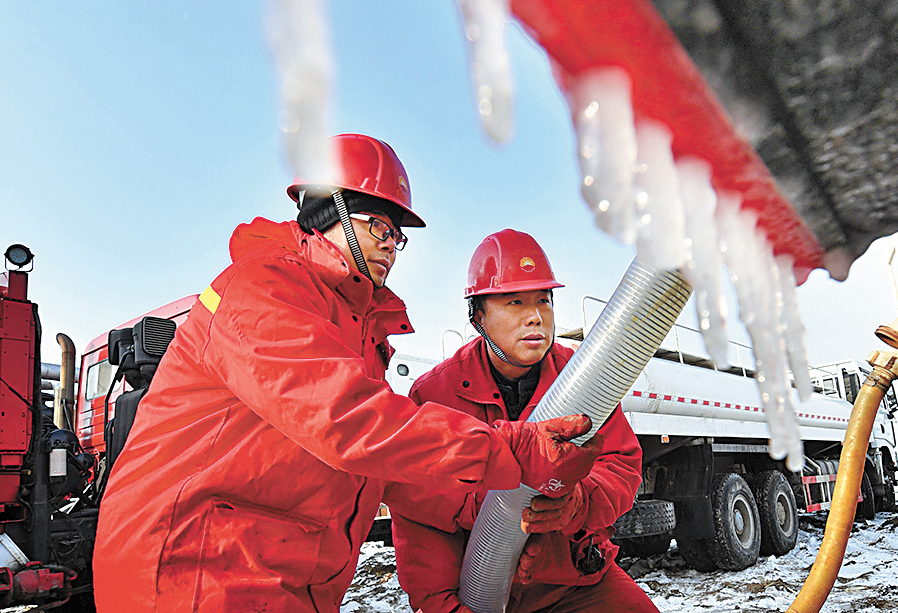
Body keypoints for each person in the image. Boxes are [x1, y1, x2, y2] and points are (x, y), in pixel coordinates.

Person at [92, 135, 603, 612]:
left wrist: (498, 513)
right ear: (328, 210)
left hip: (267, 571)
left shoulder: (356, 326)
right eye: (378, 226)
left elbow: (379, 469)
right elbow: (350, 421)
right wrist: (515, 449)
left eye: (397, 235)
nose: (390, 245)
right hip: (192, 569)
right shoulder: (263, 288)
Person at [388, 230, 659, 613]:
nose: (536, 316)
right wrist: (439, 603)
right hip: (478, 589)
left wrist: (579, 503)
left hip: (572, 581)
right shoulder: (437, 394)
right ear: (477, 316)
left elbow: (620, 464)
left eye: (544, 301)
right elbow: (416, 506)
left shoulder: (581, 378)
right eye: (515, 302)